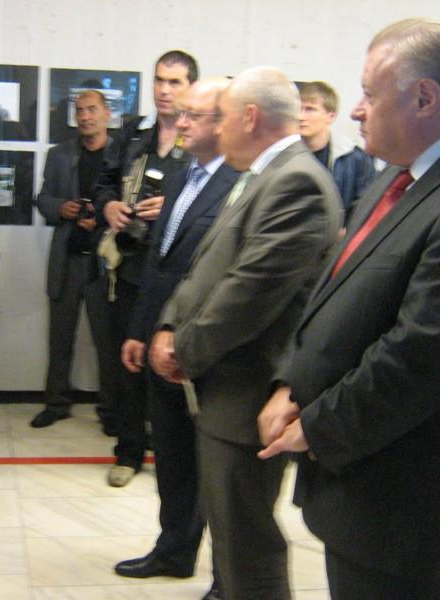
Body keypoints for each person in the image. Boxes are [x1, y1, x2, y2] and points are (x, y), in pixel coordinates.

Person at [259, 18, 440, 600]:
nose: (357, 110)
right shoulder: (399, 176)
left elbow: (421, 358)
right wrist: (292, 384)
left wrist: (316, 425)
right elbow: (337, 294)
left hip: (407, 508)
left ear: (425, 97)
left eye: (369, 93)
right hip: (357, 481)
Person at [149, 66, 341, 600]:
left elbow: (250, 292)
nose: (212, 129)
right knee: (232, 540)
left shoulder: (296, 182)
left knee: (246, 546)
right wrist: (170, 324)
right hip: (224, 387)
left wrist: (184, 349)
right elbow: (208, 266)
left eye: (222, 117)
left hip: (246, 390)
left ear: (250, 117)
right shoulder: (262, 175)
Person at [113, 77, 238, 600]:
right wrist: (141, 330)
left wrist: (186, 339)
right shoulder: (185, 173)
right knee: (173, 459)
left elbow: (229, 276)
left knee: (220, 474)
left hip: (206, 351)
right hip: (161, 340)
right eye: (180, 113)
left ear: (225, 122)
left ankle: (228, 580)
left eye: (192, 115)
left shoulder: (242, 183)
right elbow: (158, 262)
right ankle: (174, 550)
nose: (179, 123)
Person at [94, 49, 196, 487]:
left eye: (175, 82)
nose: (164, 90)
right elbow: (102, 183)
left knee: (173, 367)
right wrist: (109, 206)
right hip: (132, 267)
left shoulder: (201, 137)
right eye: (159, 80)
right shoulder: (133, 134)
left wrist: (172, 206)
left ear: (191, 87)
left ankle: (175, 456)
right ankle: (129, 451)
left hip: (180, 273)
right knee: (129, 364)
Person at [31, 90, 119, 430]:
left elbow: (127, 203)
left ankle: (110, 411)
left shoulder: (121, 154)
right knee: (59, 338)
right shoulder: (59, 155)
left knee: (107, 343)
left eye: (92, 109)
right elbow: (43, 199)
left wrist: (101, 219)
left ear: (107, 113)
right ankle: (55, 404)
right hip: (67, 259)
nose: (85, 116)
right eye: (80, 110)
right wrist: (61, 208)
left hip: (105, 264)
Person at [298, 81, 375, 220]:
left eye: (310, 109)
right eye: (298, 109)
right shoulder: (282, 153)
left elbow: (364, 205)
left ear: (331, 116)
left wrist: (348, 228)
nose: (300, 117)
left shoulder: (355, 158)